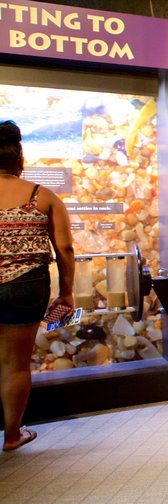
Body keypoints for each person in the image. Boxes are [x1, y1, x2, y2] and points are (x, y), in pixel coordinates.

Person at [0, 120, 75, 452]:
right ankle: (13, 436)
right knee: (15, 363)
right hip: (26, 285)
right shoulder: (42, 196)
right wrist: (67, 292)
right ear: (20, 159)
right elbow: (65, 250)